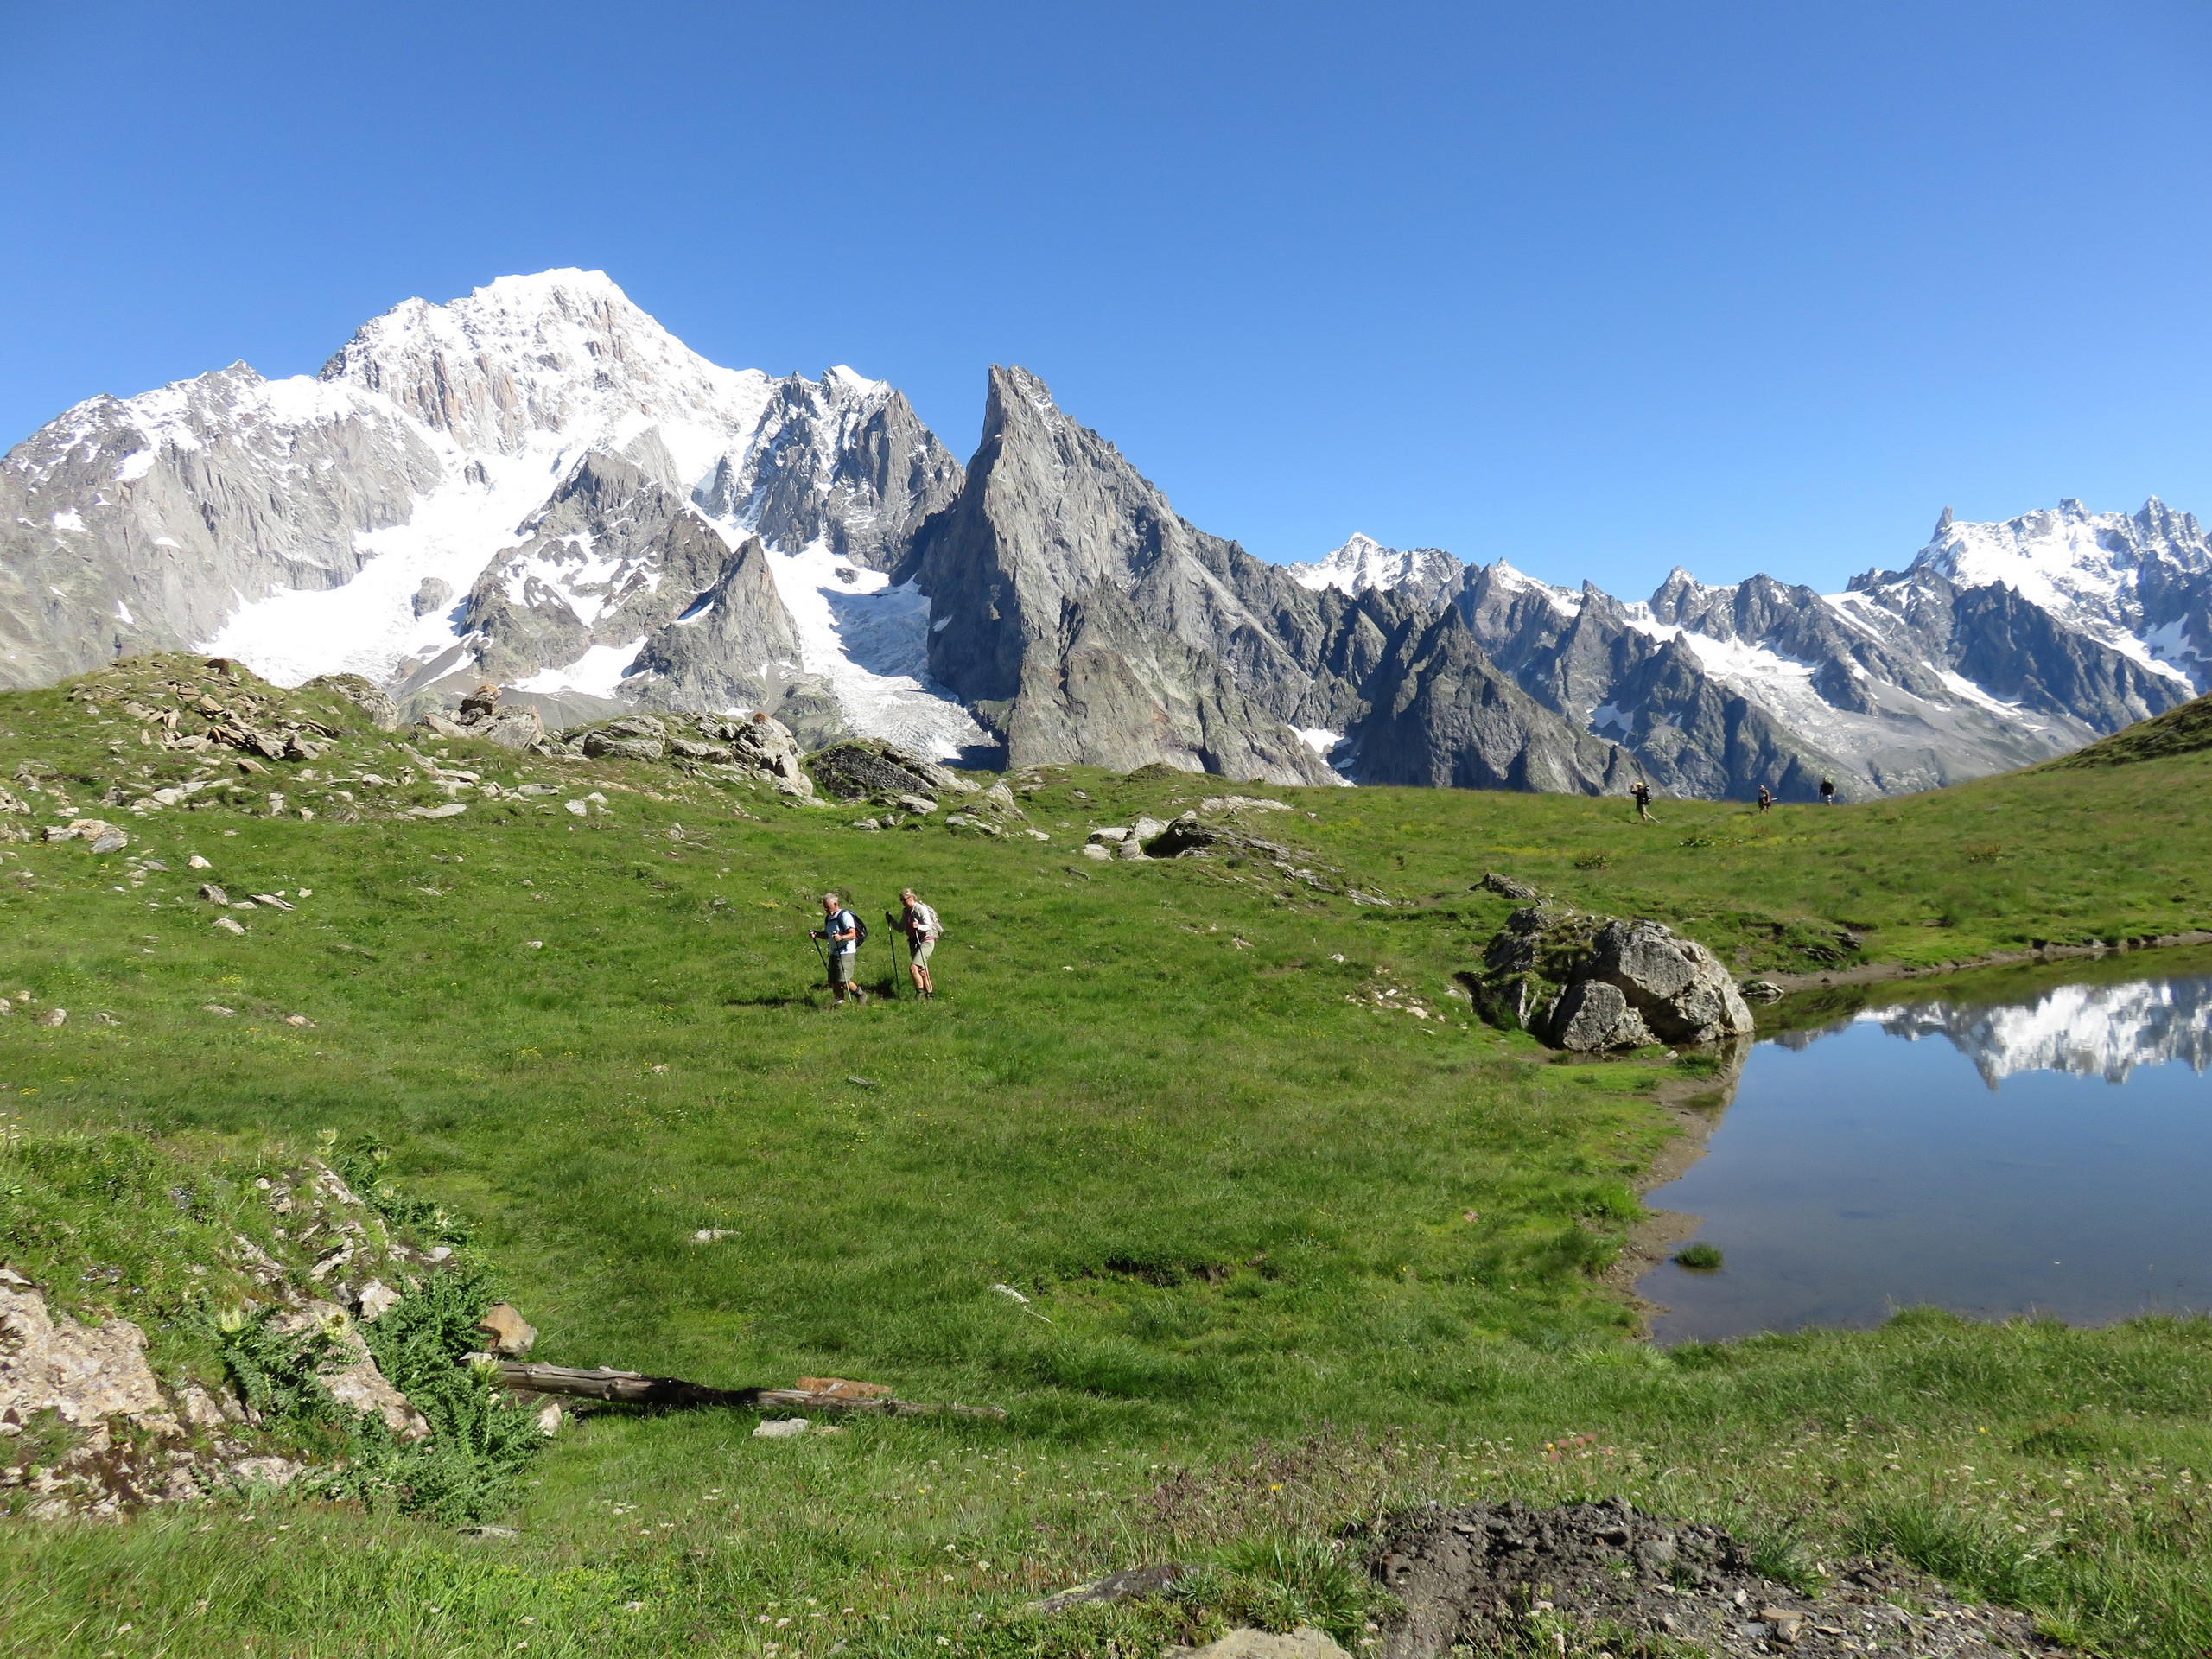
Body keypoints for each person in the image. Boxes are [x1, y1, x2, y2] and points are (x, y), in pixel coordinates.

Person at [812, 892, 865, 1006]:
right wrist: (816, 934)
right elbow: (827, 935)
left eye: (828, 907)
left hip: (846, 951)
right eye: (825, 908)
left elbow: (853, 934)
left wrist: (841, 937)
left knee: (843, 980)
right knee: (834, 981)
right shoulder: (829, 918)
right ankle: (839, 1003)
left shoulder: (845, 916)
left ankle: (860, 994)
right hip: (834, 951)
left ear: (836, 904)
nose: (827, 910)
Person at [896, 887, 942, 1000]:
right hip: (914, 941)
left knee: (913, 968)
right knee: (923, 972)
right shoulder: (906, 911)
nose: (903, 902)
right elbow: (901, 928)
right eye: (901, 900)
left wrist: (919, 926)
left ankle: (919, 995)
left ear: (911, 897)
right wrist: (891, 920)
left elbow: (928, 926)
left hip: (927, 940)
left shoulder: (920, 909)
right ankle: (930, 997)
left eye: (904, 899)